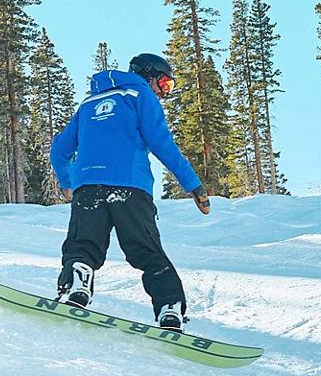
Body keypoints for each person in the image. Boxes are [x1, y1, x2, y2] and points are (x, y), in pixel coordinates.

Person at [47, 53, 211, 332]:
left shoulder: (88, 104)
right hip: (130, 187)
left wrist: (67, 183)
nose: (164, 92)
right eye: (164, 83)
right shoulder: (141, 95)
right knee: (147, 251)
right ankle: (169, 307)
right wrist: (193, 184)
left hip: (88, 188)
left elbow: (59, 149)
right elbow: (162, 143)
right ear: (149, 76)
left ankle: (77, 283)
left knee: (83, 244)